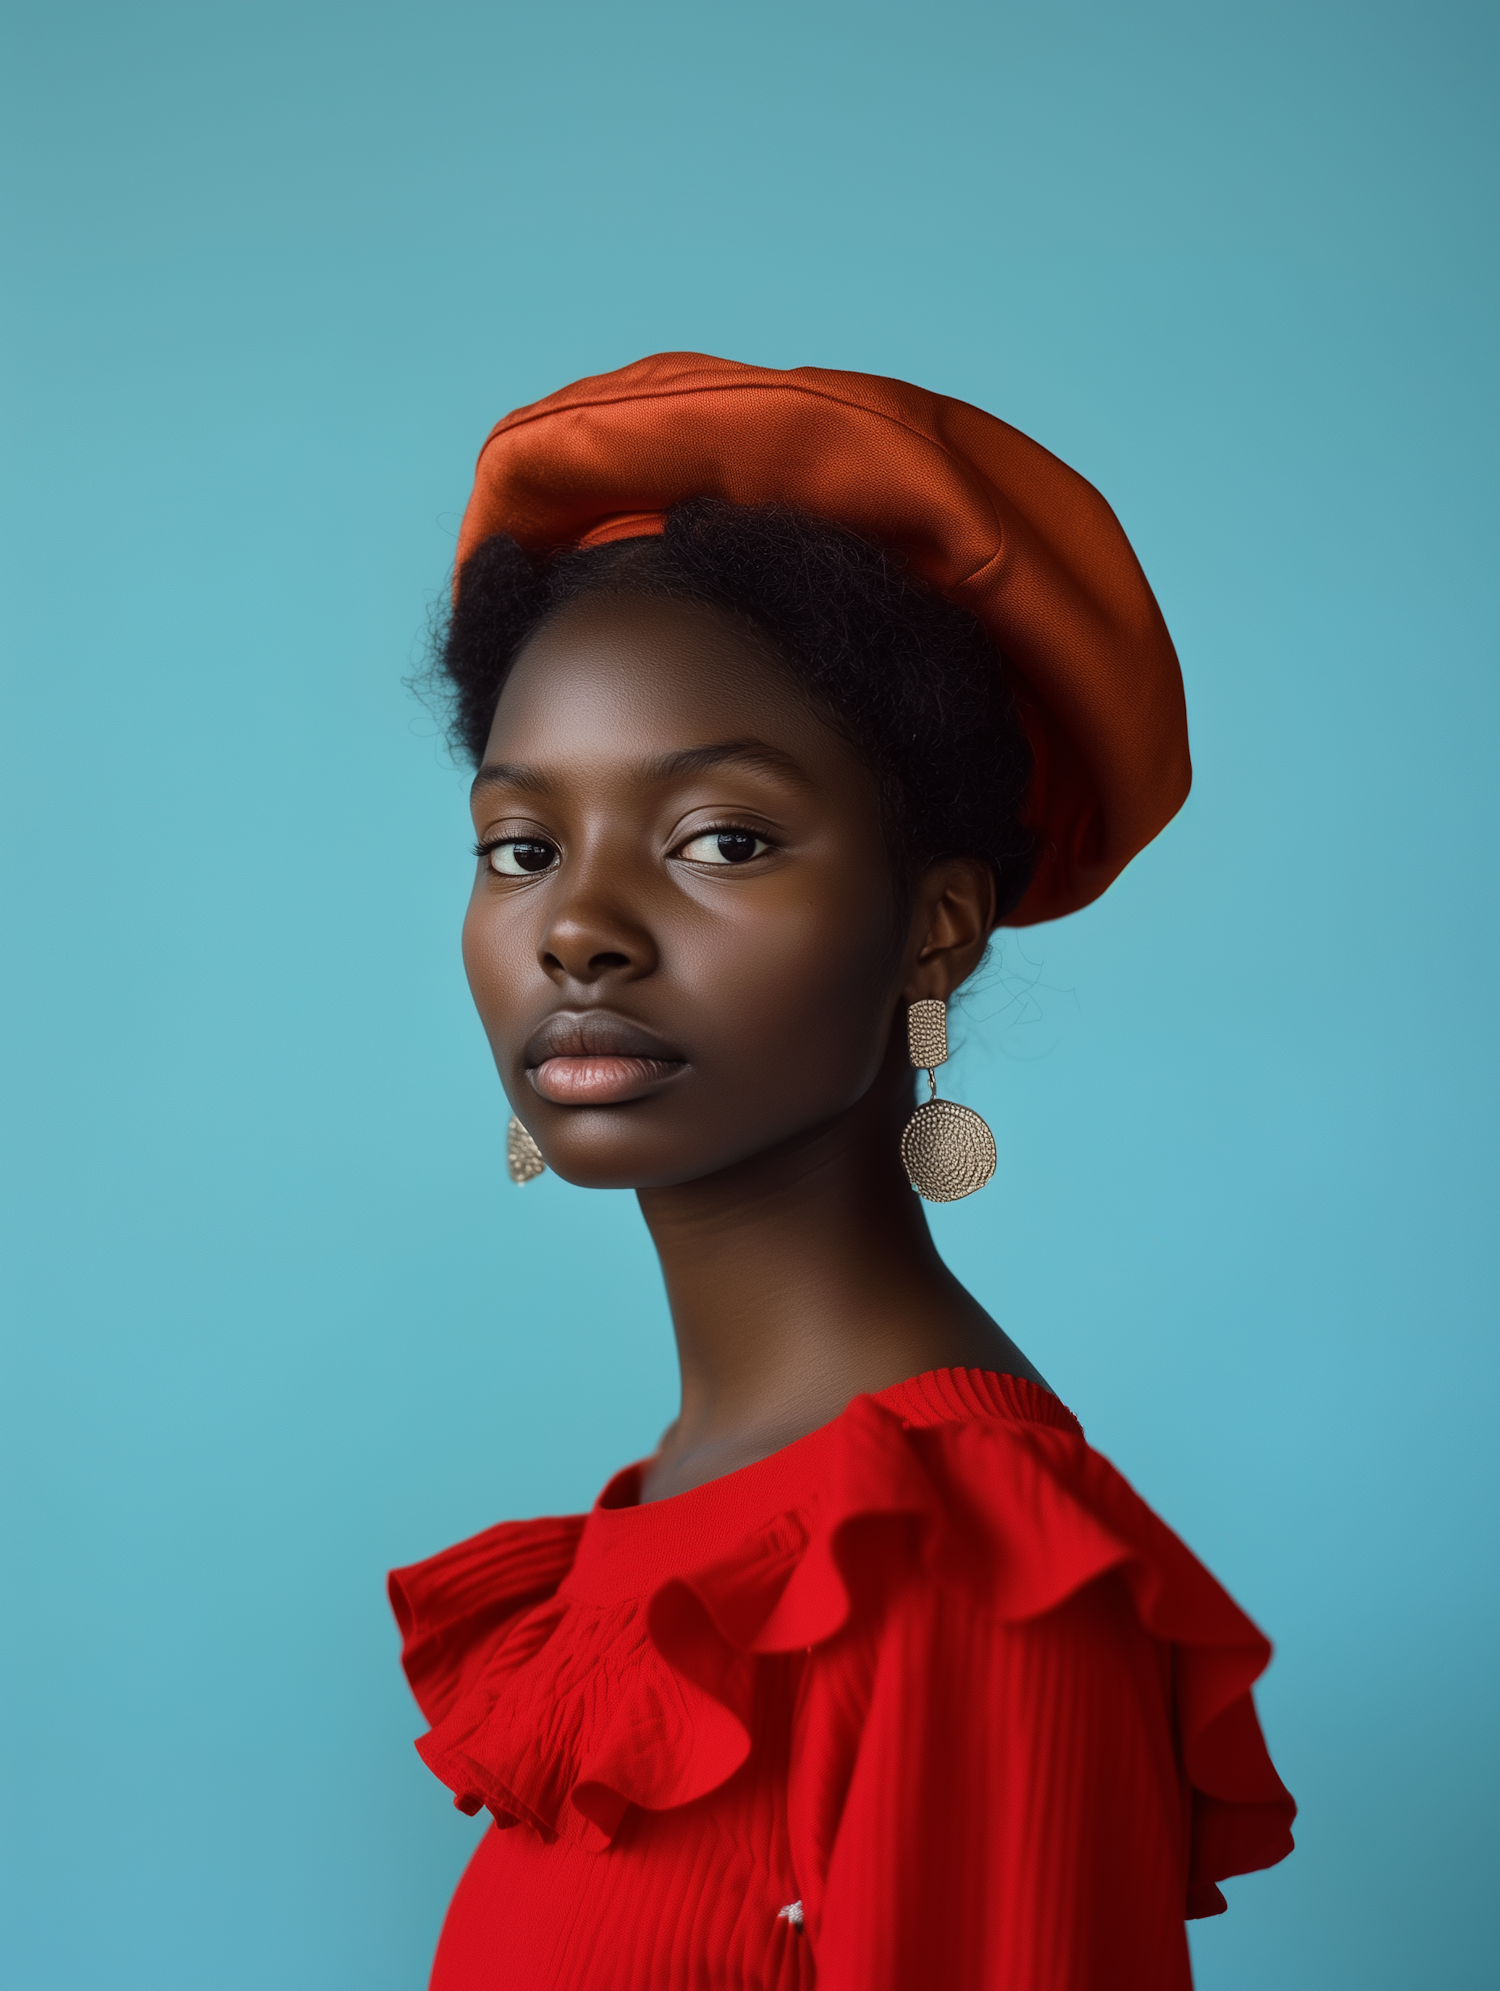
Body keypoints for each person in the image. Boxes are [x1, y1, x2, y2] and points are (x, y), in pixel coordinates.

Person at [387, 353, 1295, 1990]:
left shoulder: (964, 1572)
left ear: (933, 921)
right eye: (522, 846)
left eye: (721, 838)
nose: (576, 927)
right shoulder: (690, 1497)